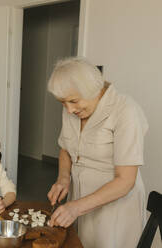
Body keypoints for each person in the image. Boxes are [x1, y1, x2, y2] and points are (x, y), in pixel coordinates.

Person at [46, 57, 147, 248]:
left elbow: (126, 181)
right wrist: (63, 178)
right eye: (63, 103)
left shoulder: (126, 111)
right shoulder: (72, 109)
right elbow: (66, 148)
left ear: (93, 90)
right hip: (80, 202)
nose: (69, 109)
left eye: (73, 101)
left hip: (115, 207)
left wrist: (75, 208)